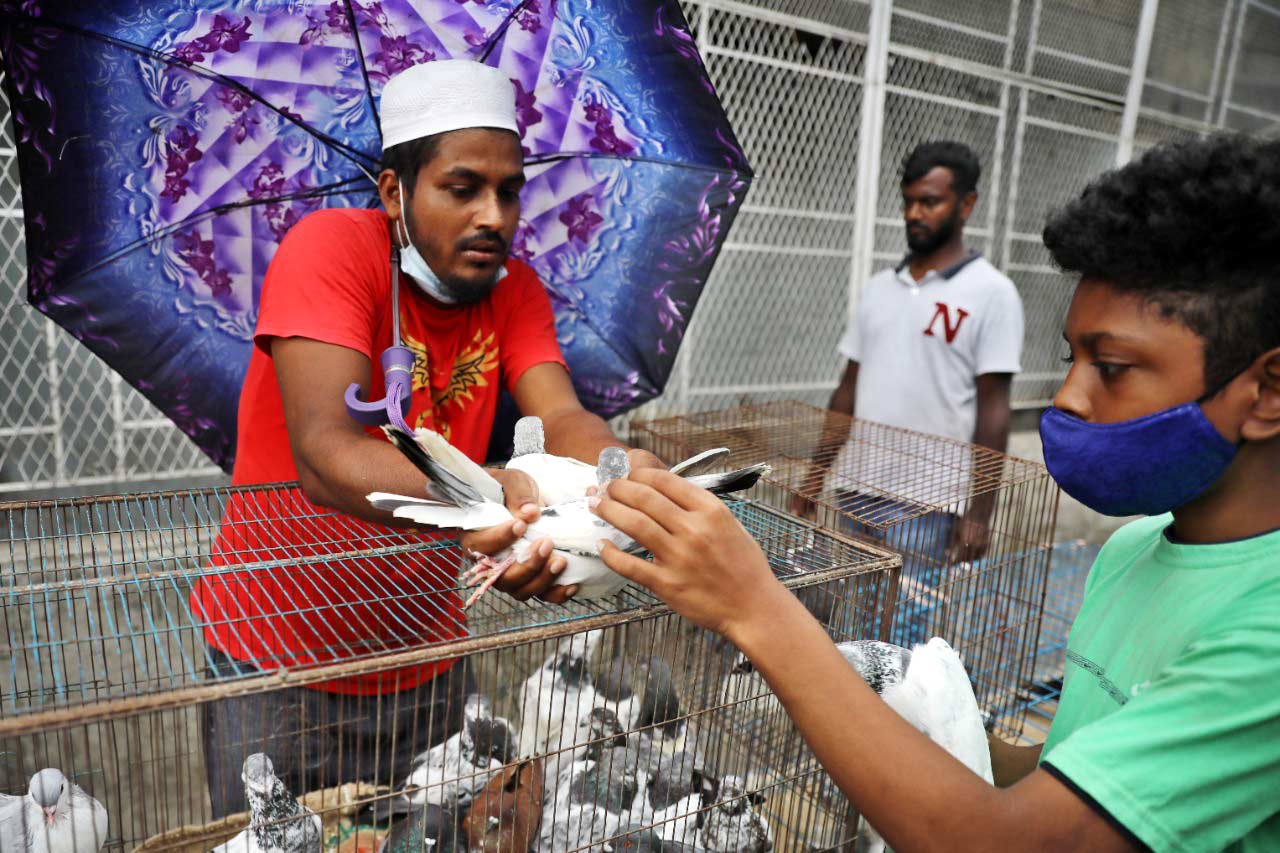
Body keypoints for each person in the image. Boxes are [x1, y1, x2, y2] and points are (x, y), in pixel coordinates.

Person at [593, 134, 1280, 851]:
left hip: (928, 501)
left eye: (1110, 366)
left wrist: (757, 609)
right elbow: (1061, 774)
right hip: (863, 486)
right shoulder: (1132, 551)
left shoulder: (1267, 634)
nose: (1068, 398)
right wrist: (921, 713)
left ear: (1266, 390)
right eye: (1070, 358)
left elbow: (1007, 843)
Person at [192, 60, 662, 817]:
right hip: (279, 668)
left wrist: (615, 462)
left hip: (429, 659)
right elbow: (326, 452)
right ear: (393, 192)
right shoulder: (331, 252)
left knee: (435, 834)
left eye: (510, 190)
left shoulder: (515, 291)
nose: (495, 215)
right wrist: (497, 494)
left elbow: (563, 413)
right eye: (463, 186)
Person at [805, 140, 1024, 645]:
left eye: (931, 201)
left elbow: (993, 408)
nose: (914, 213)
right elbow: (848, 389)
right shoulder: (880, 287)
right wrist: (816, 477)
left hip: (927, 504)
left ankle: (887, 722)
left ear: (966, 205)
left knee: (899, 638)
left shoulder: (992, 294)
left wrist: (979, 511)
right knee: (849, 631)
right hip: (857, 490)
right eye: (909, 201)